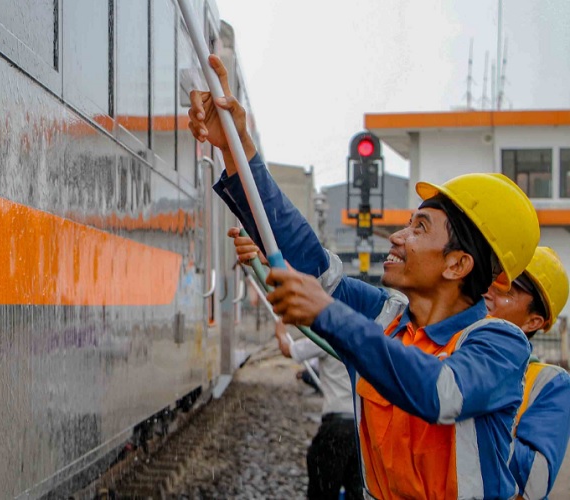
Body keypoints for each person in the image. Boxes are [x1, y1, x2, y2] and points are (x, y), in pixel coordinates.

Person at [188, 54, 541, 498]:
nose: (397, 237)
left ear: (457, 265)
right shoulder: (387, 317)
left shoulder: (498, 345)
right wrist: (236, 149)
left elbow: (440, 393)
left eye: (419, 228)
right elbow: (307, 259)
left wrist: (328, 312)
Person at [483, 247, 570, 499]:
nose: (488, 292)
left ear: (533, 322)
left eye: (506, 290)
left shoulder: (550, 383)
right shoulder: (443, 354)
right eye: (491, 280)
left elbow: (534, 480)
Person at [274, 320, 362, 499]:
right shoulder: (364, 335)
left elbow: (288, 349)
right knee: (357, 490)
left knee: (322, 489)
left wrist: (280, 332)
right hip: (361, 429)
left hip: (337, 426)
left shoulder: (330, 335)